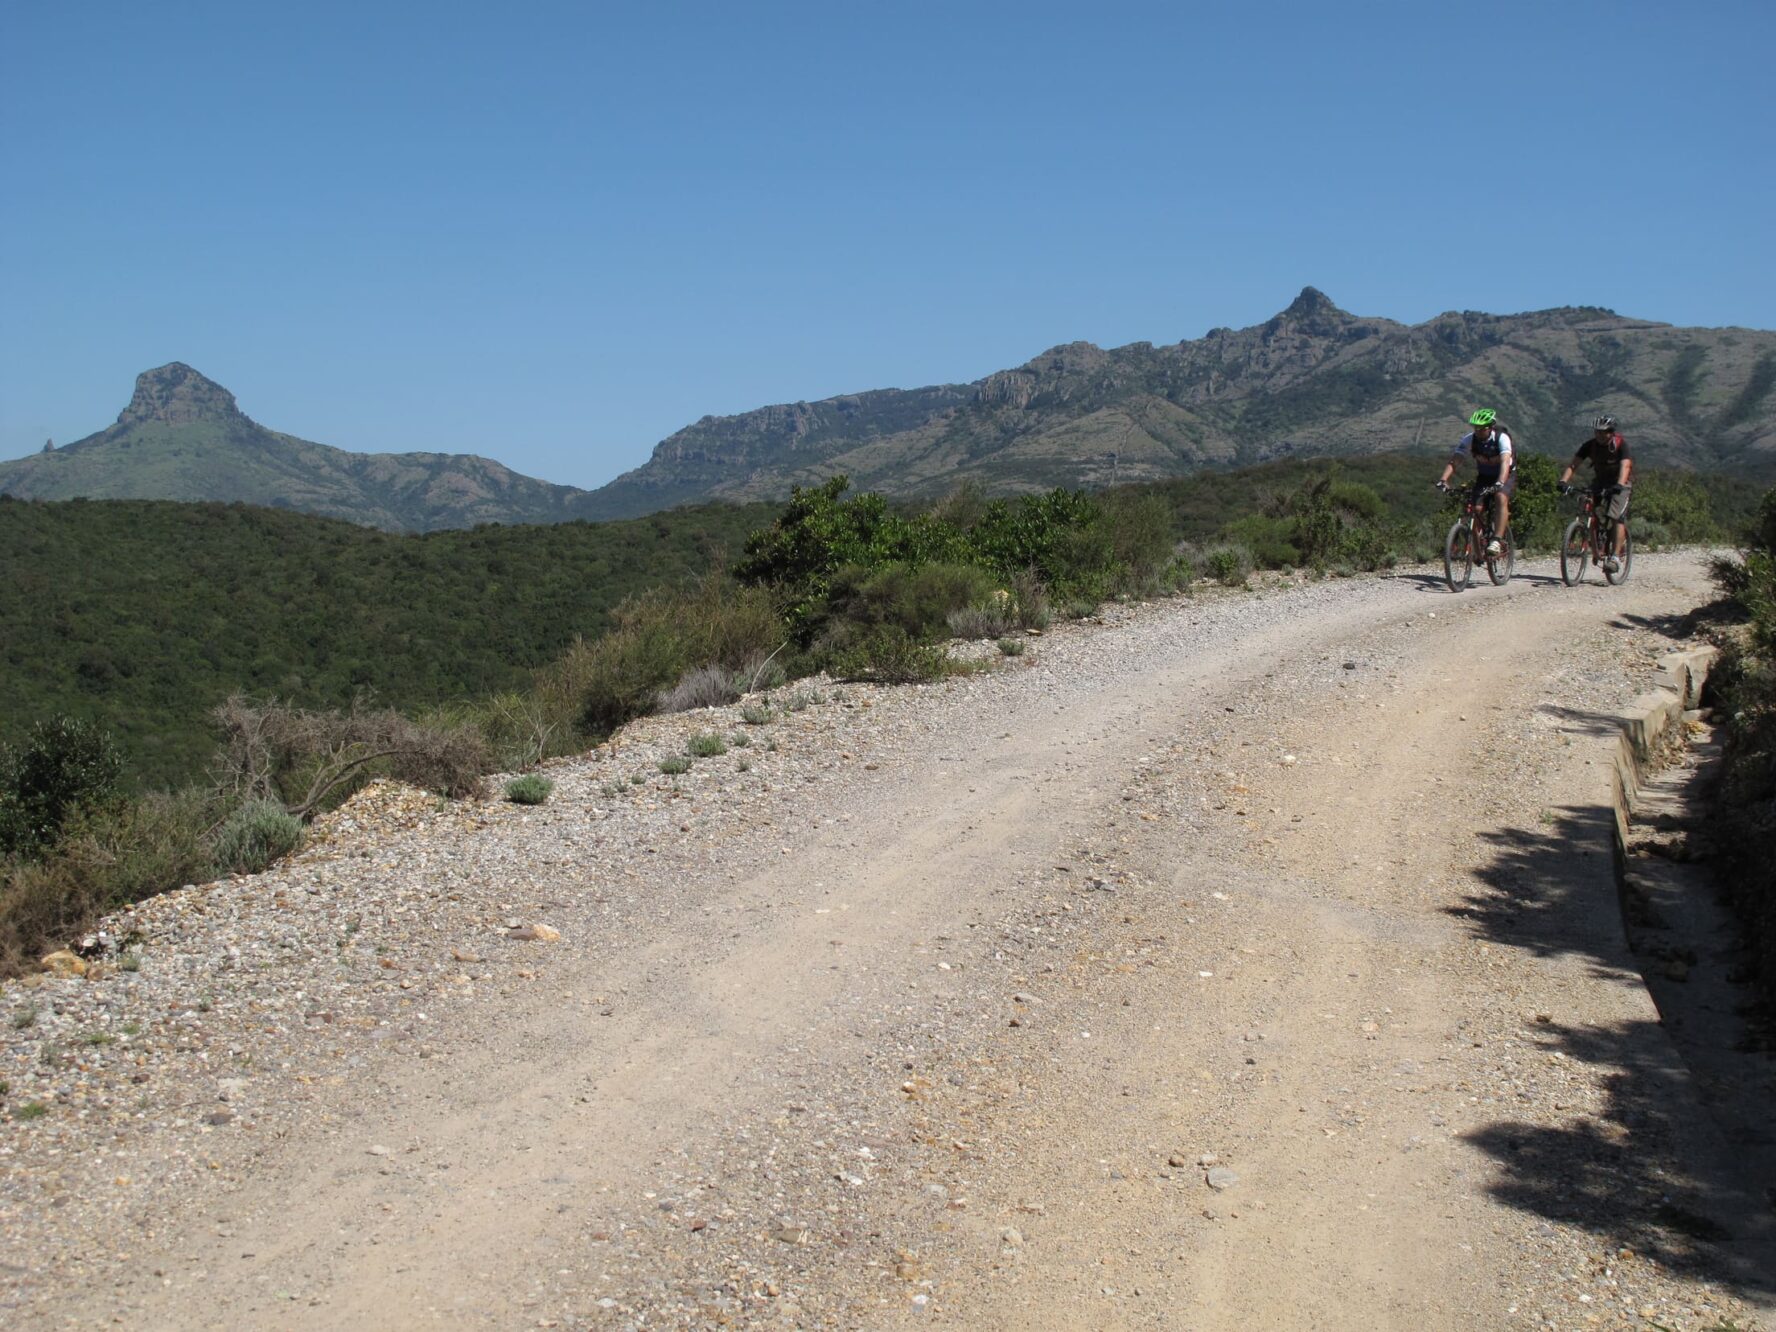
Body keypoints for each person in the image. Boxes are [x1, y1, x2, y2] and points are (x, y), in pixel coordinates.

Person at [1558, 416, 1633, 572]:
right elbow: (1573, 464)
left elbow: (1625, 466)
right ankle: (1596, 536)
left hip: (1621, 483)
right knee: (1586, 501)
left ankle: (1615, 558)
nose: (1599, 435)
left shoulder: (1620, 445)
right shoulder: (1589, 446)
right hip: (1600, 482)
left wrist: (1619, 485)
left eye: (1603, 432)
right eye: (1597, 432)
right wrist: (1563, 481)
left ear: (1611, 433)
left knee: (1616, 517)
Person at [1436, 409, 1515, 556]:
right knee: (1476, 509)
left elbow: (1505, 462)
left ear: (1490, 426)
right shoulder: (1470, 439)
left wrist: (1500, 482)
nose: (1478, 431)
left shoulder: (1502, 438)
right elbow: (1456, 460)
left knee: (1500, 497)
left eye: (1482, 428)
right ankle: (1478, 551)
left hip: (1505, 475)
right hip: (1484, 476)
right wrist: (1443, 479)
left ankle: (1496, 540)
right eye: (1475, 428)